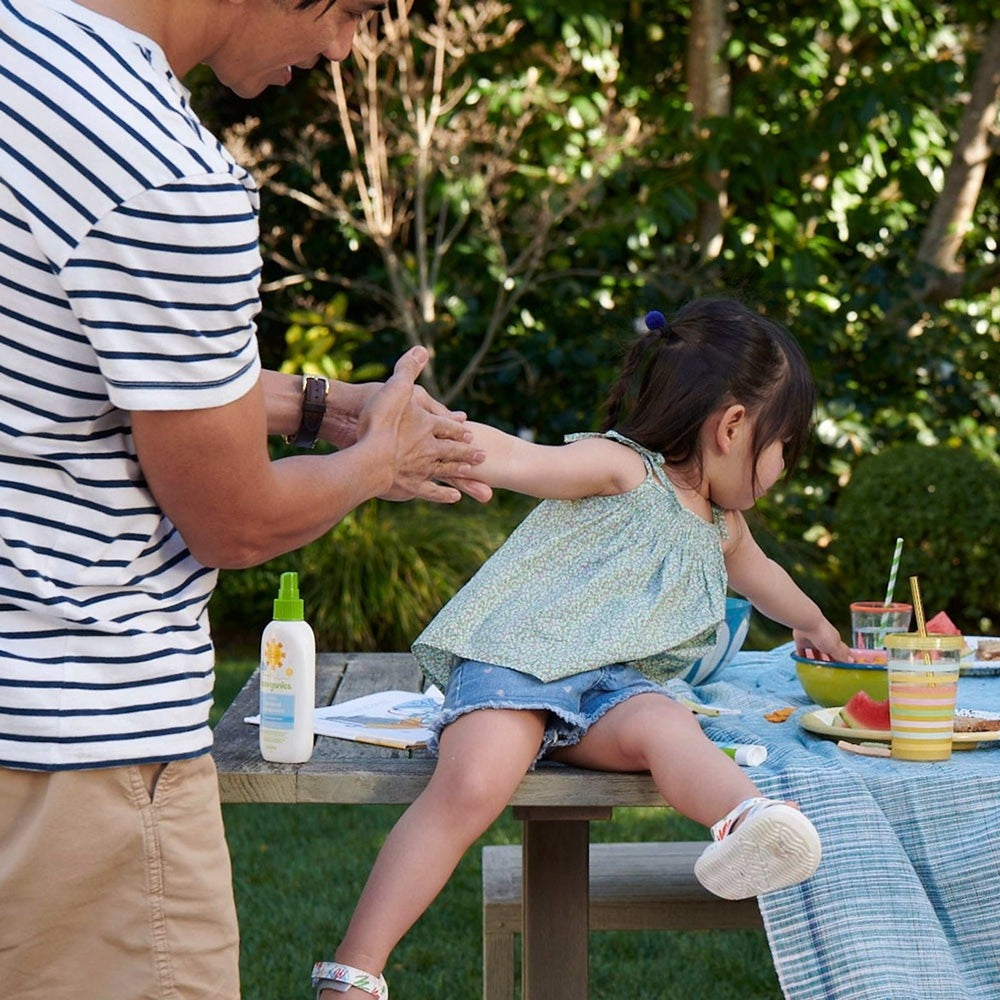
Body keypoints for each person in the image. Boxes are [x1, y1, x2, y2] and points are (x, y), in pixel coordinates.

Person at [0, 2, 489, 999]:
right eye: (351, 11)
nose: (343, 49)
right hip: (79, 755)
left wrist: (319, 407)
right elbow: (234, 518)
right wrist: (377, 460)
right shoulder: (160, 168)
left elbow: (65, 366)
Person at [313, 298, 854, 998]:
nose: (784, 468)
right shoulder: (624, 467)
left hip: (612, 690)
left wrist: (813, 623)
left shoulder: (724, 523)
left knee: (669, 726)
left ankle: (749, 823)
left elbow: (764, 578)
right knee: (473, 784)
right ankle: (354, 970)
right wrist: (432, 433)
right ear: (733, 427)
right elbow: (518, 458)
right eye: (788, 448)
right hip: (521, 663)